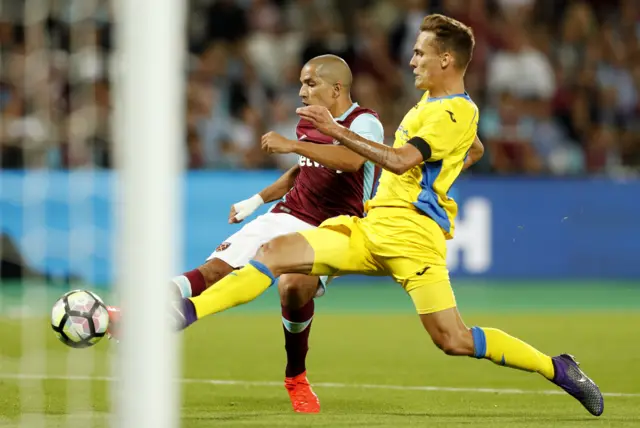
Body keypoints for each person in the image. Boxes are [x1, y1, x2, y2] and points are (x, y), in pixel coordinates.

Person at [173, 15, 604, 416]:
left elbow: (398, 161)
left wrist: (335, 129)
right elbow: (474, 149)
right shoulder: (429, 106)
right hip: (371, 226)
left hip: (414, 240)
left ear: (446, 59)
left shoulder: (454, 111)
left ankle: (557, 367)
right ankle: (183, 315)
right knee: (275, 252)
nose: (412, 59)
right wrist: (446, 170)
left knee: (452, 339)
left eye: (420, 52)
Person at [107, 54, 384, 414]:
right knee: (213, 270)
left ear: (336, 89)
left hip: (332, 228)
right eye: (300, 83)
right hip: (288, 214)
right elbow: (304, 171)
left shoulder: (365, 122)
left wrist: (293, 145)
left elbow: (350, 161)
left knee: (293, 289)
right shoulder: (309, 122)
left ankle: (295, 376)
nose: (301, 91)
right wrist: (255, 201)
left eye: (310, 84)